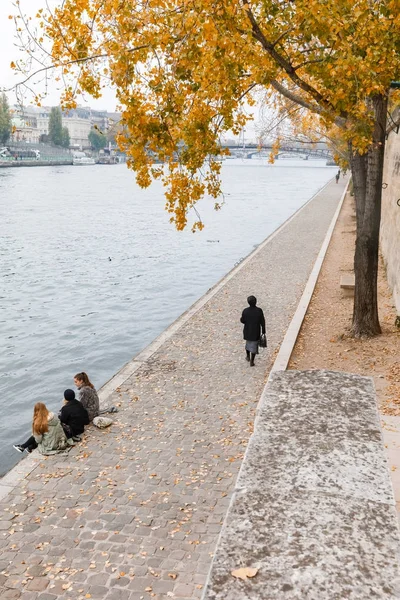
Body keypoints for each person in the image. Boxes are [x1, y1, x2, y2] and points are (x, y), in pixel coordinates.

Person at [240, 295, 266, 367]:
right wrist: (263, 330)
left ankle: (247, 356)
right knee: (254, 346)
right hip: (256, 330)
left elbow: (242, 320)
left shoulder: (245, 311)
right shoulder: (259, 311)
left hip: (247, 330)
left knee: (248, 344)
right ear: (256, 302)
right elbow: (262, 321)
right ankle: (252, 360)